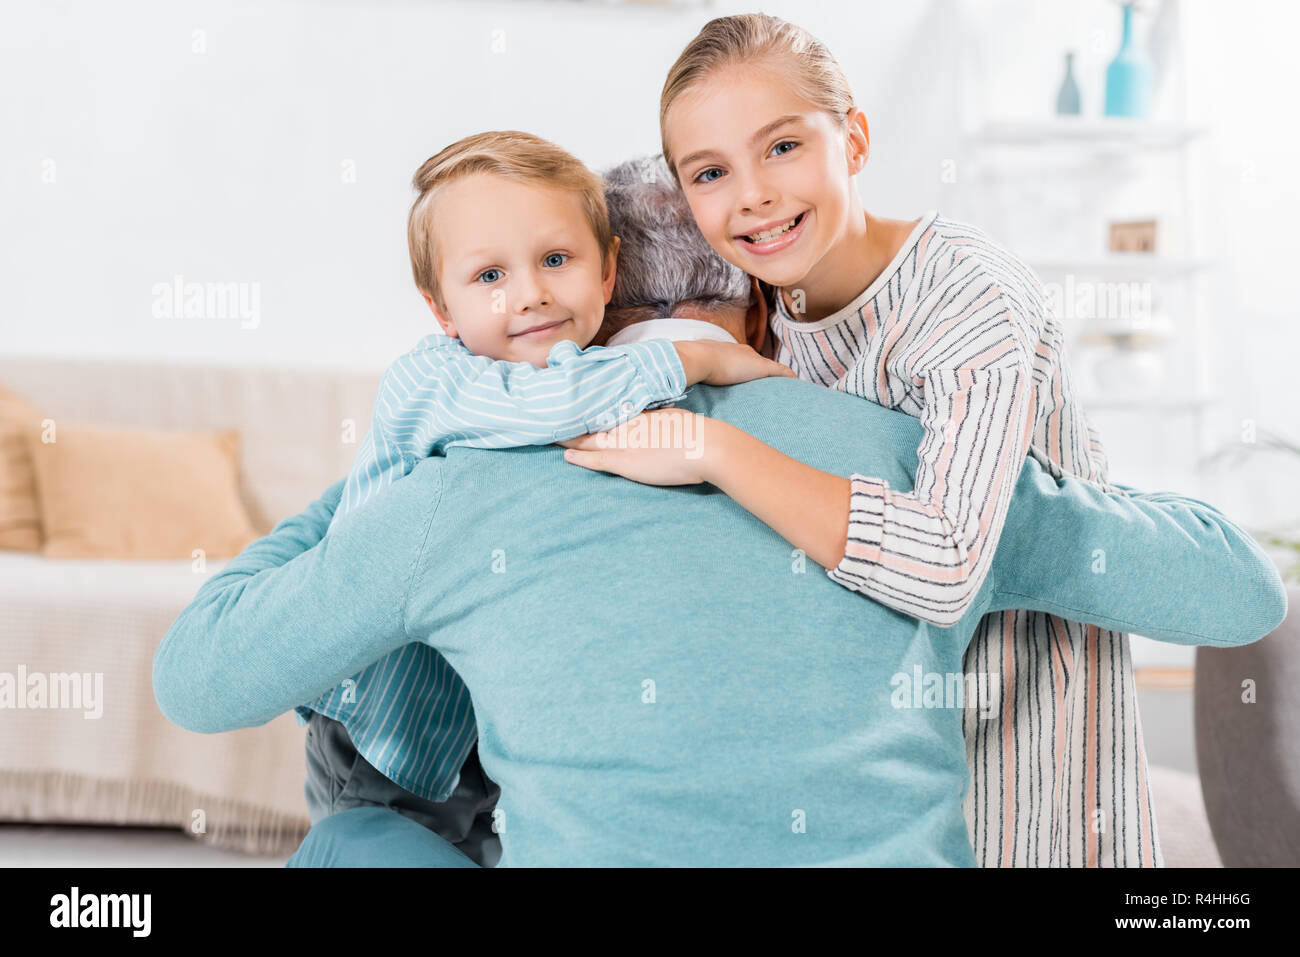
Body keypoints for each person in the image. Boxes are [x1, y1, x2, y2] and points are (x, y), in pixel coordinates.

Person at [153, 355, 1286, 866]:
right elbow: (1234, 587)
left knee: (357, 836)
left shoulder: (461, 488)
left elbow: (200, 679)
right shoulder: (907, 459)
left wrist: (387, 470)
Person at [561, 12, 1159, 866]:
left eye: (781, 147)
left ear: (855, 139)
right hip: (871, 764)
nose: (753, 196)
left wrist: (709, 448)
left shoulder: (966, 295)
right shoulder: (781, 314)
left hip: (1024, 757)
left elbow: (947, 563)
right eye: (711, 172)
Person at [296, 131, 792, 867]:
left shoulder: (596, 369)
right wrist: (699, 352)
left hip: (501, 727)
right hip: (387, 736)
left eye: (556, 260)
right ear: (441, 309)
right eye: (489, 274)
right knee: (382, 848)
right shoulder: (432, 380)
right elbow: (553, 404)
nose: (529, 292)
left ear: (607, 274)